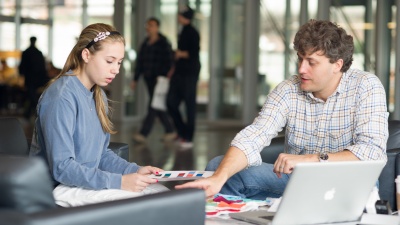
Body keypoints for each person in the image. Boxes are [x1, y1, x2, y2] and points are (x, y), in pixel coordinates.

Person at [176, 19, 388, 200]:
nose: (301, 69)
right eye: (300, 58)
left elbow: (372, 152)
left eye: (311, 62)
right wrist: (217, 179)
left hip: (348, 184)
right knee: (219, 167)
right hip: (295, 182)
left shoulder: (366, 86)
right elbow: (253, 136)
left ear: (337, 65)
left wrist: (310, 160)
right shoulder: (288, 90)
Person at [29, 23, 167, 207]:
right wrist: (120, 182)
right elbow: (62, 168)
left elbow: (100, 155)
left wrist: (135, 170)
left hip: (85, 184)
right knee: (148, 202)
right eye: (109, 61)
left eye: (119, 62)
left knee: (160, 193)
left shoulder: (98, 94)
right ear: (86, 55)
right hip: (57, 187)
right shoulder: (61, 97)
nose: (116, 70)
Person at [131, 17, 176, 143]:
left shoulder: (164, 43)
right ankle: (170, 130)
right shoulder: (145, 43)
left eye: (151, 25)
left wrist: (162, 75)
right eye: (147, 25)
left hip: (159, 80)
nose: (148, 27)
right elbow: (140, 62)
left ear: (157, 27)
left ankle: (143, 133)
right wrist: (135, 79)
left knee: (153, 105)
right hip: (148, 78)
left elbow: (169, 62)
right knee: (157, 105)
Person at [167, 5, 201, 149]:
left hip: (190, 73)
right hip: (179, 73)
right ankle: (181, 132)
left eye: (180, 15)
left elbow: (193, 53)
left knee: (189, 104)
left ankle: (188, 137)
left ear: (184, 17)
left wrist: (180, 53)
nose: (178, 17)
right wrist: (172, 70)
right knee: (171, 102)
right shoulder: (182, 31)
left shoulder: (193, 32)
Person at [18, 36, 49, 119]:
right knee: (32, 95)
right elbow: (43, 67)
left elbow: (22, 66)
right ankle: (34, 111)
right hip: (37, 78)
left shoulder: (26, 52)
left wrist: (21, 75)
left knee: (31, 94)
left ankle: (31, 112)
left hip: (29, 78)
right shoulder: (38, 53)